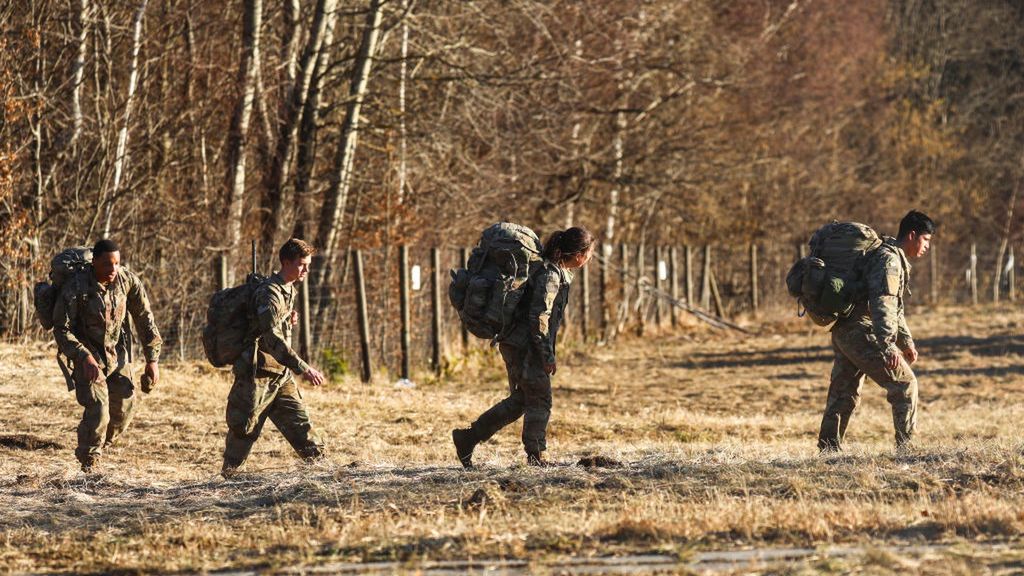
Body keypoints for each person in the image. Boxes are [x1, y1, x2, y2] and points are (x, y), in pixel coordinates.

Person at [452, 226, 596, 468]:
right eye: (590, 252)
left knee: (522, 400)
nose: (590, 257)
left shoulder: (556, 272)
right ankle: (536, 456)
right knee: (540, 399)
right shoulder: (550, 276)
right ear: (579, 255)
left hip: (517, 342)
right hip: (525, 345)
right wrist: (546, 354)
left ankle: (468, 438)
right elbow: (539, 317)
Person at [818, 210, 935, 452]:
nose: (926, 247)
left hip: (845, 331)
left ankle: (828, 450)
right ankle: (907, 450)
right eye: (926, 240)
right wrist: (889, 345)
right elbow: (883, 304)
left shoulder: (886, 255)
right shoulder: (889, 260)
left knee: (844, 392)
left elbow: (895, 308)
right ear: (912, 235)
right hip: (860, 330)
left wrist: (907, 342)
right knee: (905, 385)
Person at [52, 239, 162, 472]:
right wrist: (83, 357)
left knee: (123, 411)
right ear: (94, 263)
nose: (113, 269)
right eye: (106, 264)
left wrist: (152, 360)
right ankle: (89, 463)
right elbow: (62, 330)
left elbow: (145, 319)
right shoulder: (76, 287)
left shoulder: (127, 280)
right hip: (87, 357)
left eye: (117, 263)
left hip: (117, 355)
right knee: (99, 410)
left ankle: (100, 444)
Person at [222, 238, 327, 477]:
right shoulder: (269, 293)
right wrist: (303, 368)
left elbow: (274, 327)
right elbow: (272, 339)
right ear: (286, 262)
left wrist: (288, 318)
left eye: (308, 264)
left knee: (302, 428)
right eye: (302, 264)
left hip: (280, 375)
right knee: (244, 431)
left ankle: (323, 472)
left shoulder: (287, 289)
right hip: (257, 375)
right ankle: (228, 480)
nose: (306, 270)